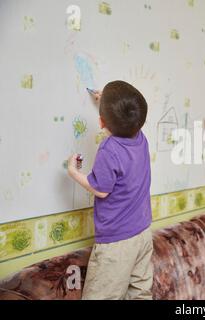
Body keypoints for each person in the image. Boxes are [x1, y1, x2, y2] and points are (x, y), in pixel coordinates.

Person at [67, 80, 153, 299]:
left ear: (101, 121)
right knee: (140, 293)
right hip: (143, 233)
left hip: (117, 243)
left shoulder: (109, 148)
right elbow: (125, 122)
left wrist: (74, 172)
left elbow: (101, 189)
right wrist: (108, 103)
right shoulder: (141, 139)